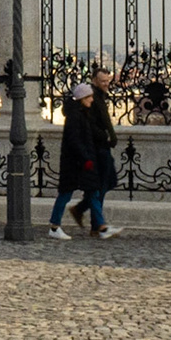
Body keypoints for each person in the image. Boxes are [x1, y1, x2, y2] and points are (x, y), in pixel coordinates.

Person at [49, 83, 124, 240]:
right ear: (82, 98)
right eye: (89, 97)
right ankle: (54, 226)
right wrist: (85, 158)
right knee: (66, 194)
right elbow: (75, 140)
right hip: (76, 162)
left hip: (83, 161)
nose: (92, 99)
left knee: (93, 192)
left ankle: (101, 227)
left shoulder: (82, 114)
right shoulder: (76, 116)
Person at [69, 65, 122, 235]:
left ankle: (82, 210)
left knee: (108, 182)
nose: (106, 84)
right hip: (97, 148)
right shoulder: (91, 98)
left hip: (103, 146)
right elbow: (90, 125)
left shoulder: (99, 96)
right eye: (102, 81)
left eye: (107, 81)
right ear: (94, 81)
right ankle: (96, 225)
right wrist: (105, 136)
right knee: (101, 185)